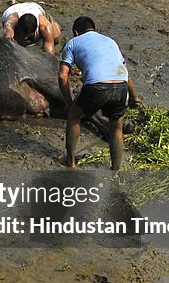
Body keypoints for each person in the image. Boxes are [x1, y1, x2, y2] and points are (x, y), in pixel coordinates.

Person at [58, 16, 143, 172]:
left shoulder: (73, 43)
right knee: (116, 129)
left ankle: (70, 161)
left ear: (76, 32)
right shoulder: (110, 41)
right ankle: (116, 169)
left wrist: (68, 102)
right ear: (95, 29)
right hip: (120, 85)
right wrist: (134, 96)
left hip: (97, 86)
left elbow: (63, 75)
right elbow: (125, 71)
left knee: (74, 116)